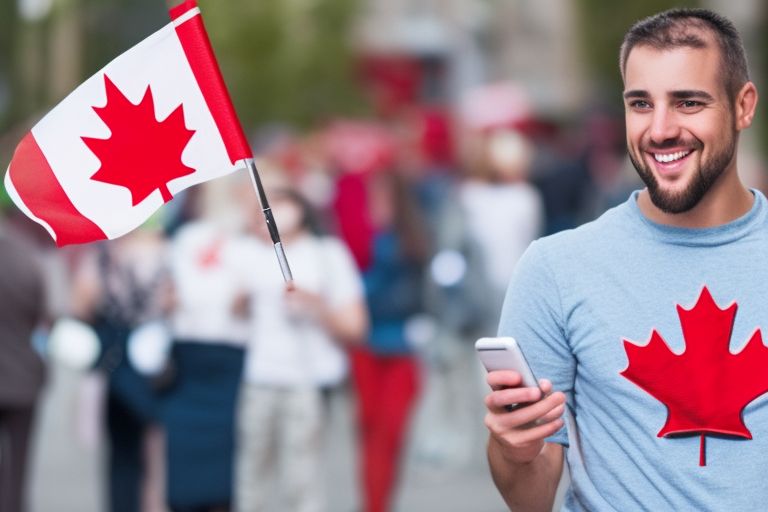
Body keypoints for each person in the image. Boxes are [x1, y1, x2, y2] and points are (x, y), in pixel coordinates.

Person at [484, 8, 764, 511]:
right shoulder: (556, 268)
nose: (659, 129)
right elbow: (531, 499)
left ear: (743, 106)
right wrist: (515, 451)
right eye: (641, 103)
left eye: (688, 102)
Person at [234, 182, 367, 512]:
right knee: (252, 474)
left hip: (307, 380)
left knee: (302, 477)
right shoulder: (247, 253)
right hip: (259, 377)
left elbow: (356, 325)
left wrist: (315, 305)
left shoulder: (327, 254)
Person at [0, 217, 46, 512]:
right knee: (19, 465)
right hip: (23, 377)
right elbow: (44, 315)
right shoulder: (29, 259)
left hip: (19, 375)